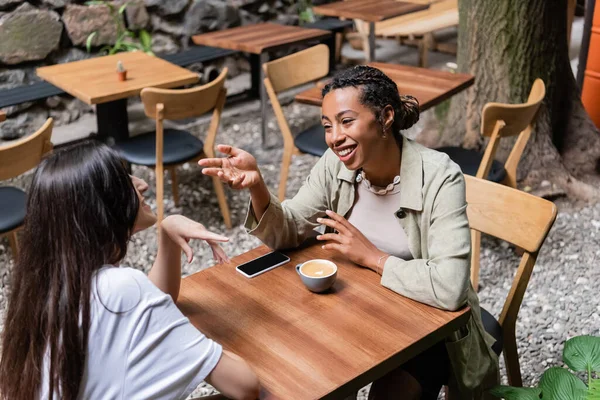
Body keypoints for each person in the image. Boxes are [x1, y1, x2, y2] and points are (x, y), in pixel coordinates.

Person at [199, 66, 499, 399]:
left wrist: (374, 257)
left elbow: (450, 287)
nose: (334, 137)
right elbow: (288, 231)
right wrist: (258, 188)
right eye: (327, 126)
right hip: (354, 311)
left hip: (427, 326)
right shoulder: (335, 164)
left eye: (346, 121)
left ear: (385, 117)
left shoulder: (440, 176)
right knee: (310, 377)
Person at [0, 141, 260, 400]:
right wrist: (192, 340)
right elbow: (243, 386)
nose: (142, 184)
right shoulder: (120, 287)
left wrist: (167, 237)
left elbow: (141, 307)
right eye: (123, 178)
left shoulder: (50, 285)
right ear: (97, 206)